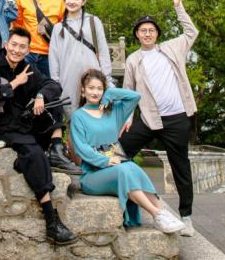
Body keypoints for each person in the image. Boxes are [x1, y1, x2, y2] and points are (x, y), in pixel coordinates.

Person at [0, 27, 77, 245]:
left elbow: (53, 84)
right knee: (34, 154)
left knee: (54, 101)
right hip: (4, 127)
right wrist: (16, 82)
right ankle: (51, 219)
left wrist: (40, 95)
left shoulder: (28, 67)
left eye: (22, 47)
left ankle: (56, 147)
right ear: (6, 44)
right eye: (13, 45)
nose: (16, 50)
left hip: (26, 123)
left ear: (28, 49)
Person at [120, 0, 198, 236]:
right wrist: (127, 119)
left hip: (177, 118)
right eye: (142, 30)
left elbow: (191, 32)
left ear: (157, 33)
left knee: (180, 166)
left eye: (151, 30)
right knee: (120, 150)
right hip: (149, 119)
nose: (147, 33)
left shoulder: (172, 48)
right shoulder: (133, 60)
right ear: (137, 35)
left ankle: (186, 217)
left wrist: (178, 7)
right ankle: (134, 198)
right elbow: (128, 92)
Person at [71, 69, 185, 233]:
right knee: (124, 170)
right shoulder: (78, 116)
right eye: (91, 88)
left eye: (99, 88)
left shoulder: (113, 112)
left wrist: (111, 93)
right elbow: (81, 148)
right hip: (93, 175)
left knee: (132, 167)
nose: (95, 92)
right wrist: (105, 160)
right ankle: (156, 214)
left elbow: (135, 96)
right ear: (83, 90)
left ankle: (163, 211)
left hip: (117, 165)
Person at [49, 0, 114, 115]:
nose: (72, 1)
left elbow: (103, 51)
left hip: (93, 77)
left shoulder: (93, 22)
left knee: (95, 114)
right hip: (68, 78)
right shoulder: (58, 28)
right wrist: (56, 82)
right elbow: (53, 57)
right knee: (72, 117)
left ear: (83, 2)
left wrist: (106, 77)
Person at [12, 0, 65, 77]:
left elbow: (64, 26)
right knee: (26, 88)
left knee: (50, 87)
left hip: (50, 53)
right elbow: (17, 25)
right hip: (28, 53)